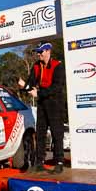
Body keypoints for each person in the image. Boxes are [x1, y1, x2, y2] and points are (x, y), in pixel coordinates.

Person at [18, 42, 65, 174]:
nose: (38, 54)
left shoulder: (58, 65)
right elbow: (30, 83)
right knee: (40, 133)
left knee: (57, 133)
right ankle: (39, 162)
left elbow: (57, 87)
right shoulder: (36, 66)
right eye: (38, 52)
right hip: (42, 103)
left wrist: (38, 93)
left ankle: (59, 162)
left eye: (41, 51)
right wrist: (23, 85)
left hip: (55, 102)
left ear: (48, 51)